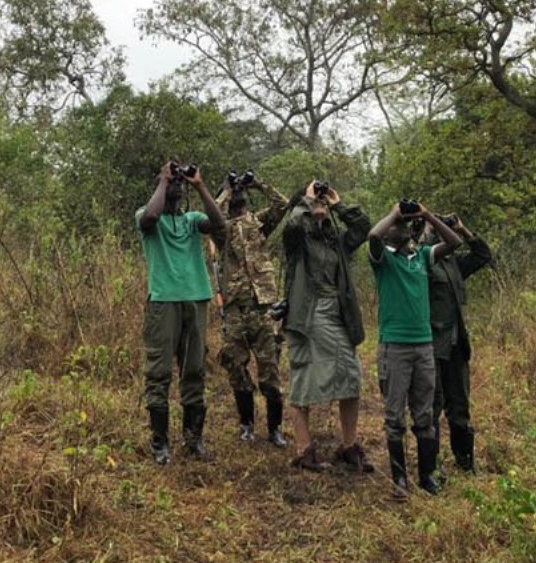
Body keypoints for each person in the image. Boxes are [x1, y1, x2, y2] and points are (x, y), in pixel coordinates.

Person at [280, 179, 375, 473]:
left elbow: (363, 230)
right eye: (315, 201)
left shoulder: (335, 239)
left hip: (338, 313)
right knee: (305, 377)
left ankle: (348, 446)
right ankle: (303, 450)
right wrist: (306, 203)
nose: (319, 204)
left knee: (351, 377)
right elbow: (291, 228)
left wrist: (338, 204)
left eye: (321, 201)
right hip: (307, 315)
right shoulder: (298, 240)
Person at [369, 202, 461, 497]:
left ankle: (426, 476)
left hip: (424, 345)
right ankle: (399, 479)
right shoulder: (383, 260)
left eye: (405, 224)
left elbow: (454, 242)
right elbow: (372, 236)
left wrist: (426, 215)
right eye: (397, 225)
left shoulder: (422, 256)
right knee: (394, 416)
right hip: (394, 346)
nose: (402, 227)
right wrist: (395, 213)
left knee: (424, 414)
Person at [136, 159, 225, 465]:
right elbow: (149, 216)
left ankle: (193, 439)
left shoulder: (191, 220)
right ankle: (159, 442)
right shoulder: (149, 218)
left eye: (178, 182)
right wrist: (163, 180)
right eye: (171, 181)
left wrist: (199, 185)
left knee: (194, 370)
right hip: (163, 301)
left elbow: (218, 224)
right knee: (159, 372)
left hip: (196, 299)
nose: (176, 184)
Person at [213, 170, 290, 447]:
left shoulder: (258, 223)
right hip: (235, 308)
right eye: (238, 191)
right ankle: (246, 424)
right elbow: (213, 216)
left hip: (263, 306)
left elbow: (283, 205)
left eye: (240, 191)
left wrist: (257, 183)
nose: (239, 193)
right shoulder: (222, 230)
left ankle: (275, 428)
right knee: (235, 365)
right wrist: (225, 189)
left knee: (269, 368)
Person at [422, 213, 492, 473]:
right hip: (431, 344)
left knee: (460, 404)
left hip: (456, 343)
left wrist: (463, 229)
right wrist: (426, 228)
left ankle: (464, 461)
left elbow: (483, 255)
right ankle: (431, 465)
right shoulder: (422, 260)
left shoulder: (453, 264)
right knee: (432, 406)